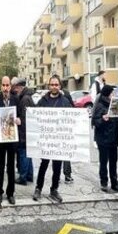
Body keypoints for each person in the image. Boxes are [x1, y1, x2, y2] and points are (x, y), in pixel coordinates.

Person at [32, 75, 71, 204]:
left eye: (56, 84)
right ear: (49, 86)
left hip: (58, 139)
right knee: (43, 165)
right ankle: (38, 188)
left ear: (59, 86)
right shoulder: (43, 100)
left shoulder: (65, 101)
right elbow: (36, 115)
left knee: (57, 166)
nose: (54, 87)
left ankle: (54, 189)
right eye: (52, 84)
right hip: (47, 139)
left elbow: (72, 117)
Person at [0, 76, 21, 205]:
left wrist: (19, 121)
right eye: (3, 85)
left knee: (11, 167)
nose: (5, 88)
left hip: (12, 139)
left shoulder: (15, 99)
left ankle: (10, 193)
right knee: (0, 166)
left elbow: (19, 116)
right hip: (0, 138)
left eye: (7, 85)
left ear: (10, 86)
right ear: (1, 86)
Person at [92, 85, 118, 193]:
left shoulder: (115, 104)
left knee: (113, 162)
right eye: (112, 93)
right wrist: (103, 118)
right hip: (103, 139)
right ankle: (104, 182)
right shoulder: (100, 106)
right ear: (107, 94)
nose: (113, 95)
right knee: (103, 162)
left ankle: (115, 183)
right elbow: (95, 122)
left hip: (114, 138)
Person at [12, 78, 34, 185]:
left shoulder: (24, 99)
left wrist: (22, 134)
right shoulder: (27, 97)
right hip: (28, 131)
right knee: (28, 154)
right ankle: (29, 175)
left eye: (16, 88)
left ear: (20, 87)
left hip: (24, 132)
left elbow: (24, 118)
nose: (16, 90)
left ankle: (23, 177)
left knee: (23, 153)